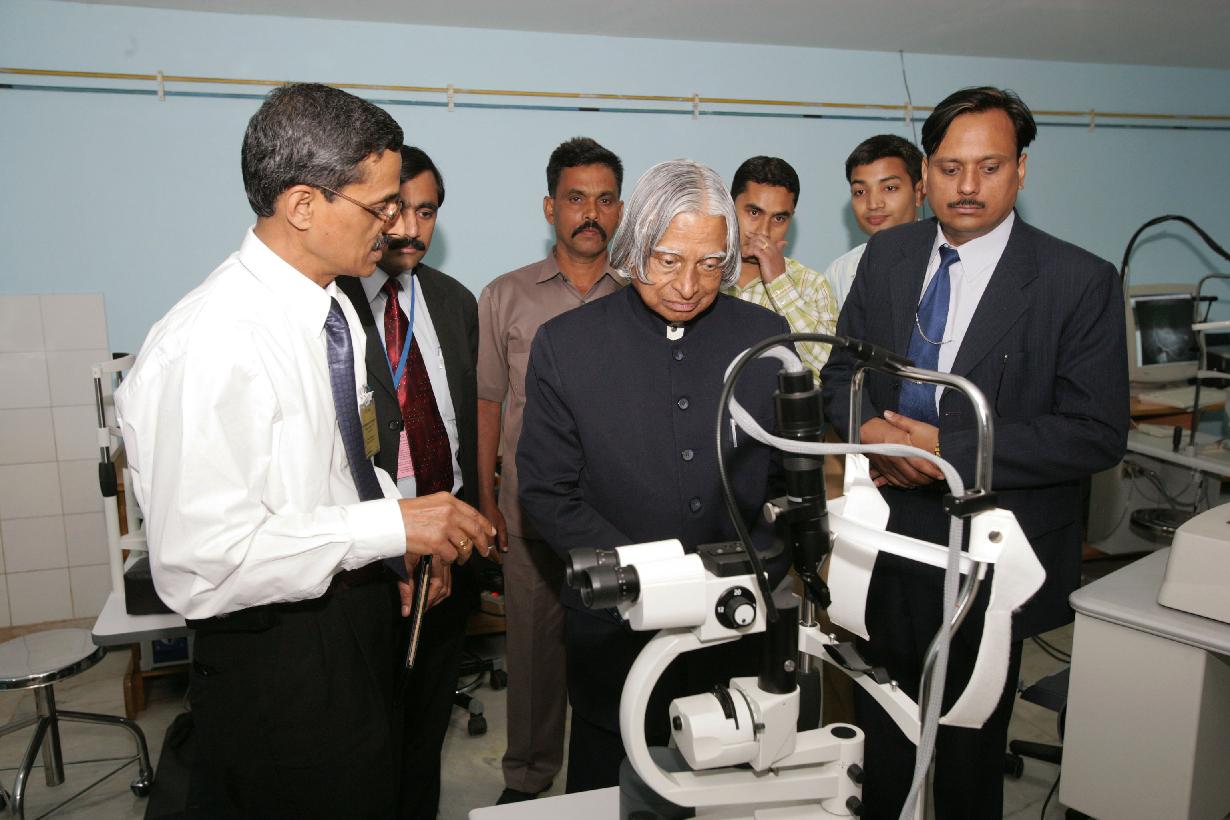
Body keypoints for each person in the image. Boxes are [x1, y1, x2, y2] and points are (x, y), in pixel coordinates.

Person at [115, 83, 493, 819]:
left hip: (350, 618)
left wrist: (397, 549)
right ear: (302, 206)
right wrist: (388, 528)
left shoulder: (332, 312)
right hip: (275, 656)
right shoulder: (211, 343)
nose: (394, 226)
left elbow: (349, 464)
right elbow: (202, 562)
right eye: (379, 206)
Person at [819, 87, 1129, 819]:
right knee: (883, 721)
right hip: (888, 527)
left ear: (1021, 170)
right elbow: (840, 376)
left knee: (968, 742)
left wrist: (947, 447)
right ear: (926, 171)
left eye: (988, 167)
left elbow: (1094, 430)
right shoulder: (888, 256)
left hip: (995, 537)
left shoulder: (1076, 280)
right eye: (950, 167)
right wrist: (872, 432)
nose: (966, 185)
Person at [517, 158, 792, 793]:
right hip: (614, 623)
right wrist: (650, 577)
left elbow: (787, 485)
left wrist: (752, 569)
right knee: (610, 787)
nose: (689, 285)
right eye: (668, 260)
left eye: (710, 264)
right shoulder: (566, 343)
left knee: (727, 788)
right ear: (634, 243)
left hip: (734, 623)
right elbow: (548, 492)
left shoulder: (766, 338)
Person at [477, 136, 626, 804]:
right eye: (575, 198)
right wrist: (487, 501)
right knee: (534, 658)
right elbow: (488, 402)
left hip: (619, 519)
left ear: (620, 210)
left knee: (618, 657)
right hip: (532, 518)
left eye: (604, 199)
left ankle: (613, 782)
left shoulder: (642, 295)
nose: (590, 213)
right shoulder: (505, 296)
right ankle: (528, 780)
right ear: (550, 207)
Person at [336, 145, 478, 819]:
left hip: (449, 541)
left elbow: (465, 416)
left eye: (427, 213)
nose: (411, 230)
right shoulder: (331, 306)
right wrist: (393, 542)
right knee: (365, 728)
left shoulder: (454, 301)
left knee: (427, 718)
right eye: (397, 211)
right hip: (368, 553)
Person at [725, 156, 837, 379]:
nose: (763, 231)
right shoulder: (703, 274)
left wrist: (779, 283)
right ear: (729, 206)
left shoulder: (812, 285)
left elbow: (829, 368)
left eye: (778, 218)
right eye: (754, 213)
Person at [821, 134, 925, 308]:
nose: (873, 204)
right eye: (860, 192)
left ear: (919, 193)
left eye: (889, 188)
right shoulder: (840, 272)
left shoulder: (944, 260)